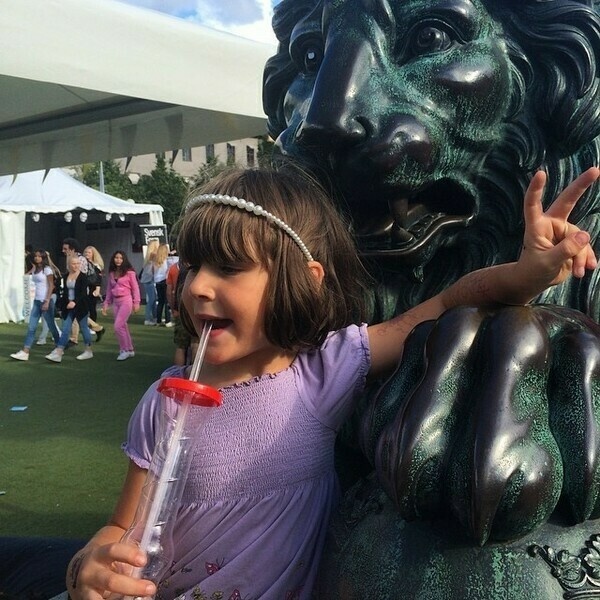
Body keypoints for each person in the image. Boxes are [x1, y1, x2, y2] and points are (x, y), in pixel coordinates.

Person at [66, 164, 600, 600]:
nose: (197, 286)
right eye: (194, 264)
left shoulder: (319, 375)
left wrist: (527, 273)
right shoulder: (163, 404)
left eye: (228, 267)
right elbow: (122, 529)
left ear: (303, 280)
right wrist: (88, 566)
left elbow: (445, 304)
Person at [10, 249, 60, 360]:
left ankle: (59, 349)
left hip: (45, 301)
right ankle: (25, 351)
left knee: (51, 326)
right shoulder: (35, 269)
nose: (37, 258)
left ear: (43, 257)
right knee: (31, 327)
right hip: (37, 301)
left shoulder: (47, 269)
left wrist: (47, 301)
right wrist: (32, 269)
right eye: (35, 256)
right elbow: (26, 277)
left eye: (39, 256)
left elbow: (51, 285)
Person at [45, 255, 94, 363]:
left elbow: (83, 293)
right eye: (73, 263)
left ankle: (88, 350)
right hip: (68, 307)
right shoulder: (65, 276)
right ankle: (59, 351)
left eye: (78, 263)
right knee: (66, 329)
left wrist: (74, 302)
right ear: (69, 265)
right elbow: (63, 292)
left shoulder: (83, 277)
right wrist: (63, 304)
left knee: (84, 328)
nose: (76, 266)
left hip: (81, 306)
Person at [101, 250, 141, 361]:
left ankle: (124, 350)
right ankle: (129, 349)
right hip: (116, 302)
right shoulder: (112, 273)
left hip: (126, 300)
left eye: (120, 258)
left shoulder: (130, 273)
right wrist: (106, 303)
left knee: (118, 326)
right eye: (116, 258)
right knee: (123, 326)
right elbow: (109, 289)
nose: (118, 260)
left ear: (124, 260)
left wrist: (136, 302)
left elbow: (135, 288)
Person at [166, 259, 197, 366]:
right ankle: (194, 372)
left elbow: (170, 292)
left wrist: (173, 308)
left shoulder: (177, 269)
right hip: (196, 311)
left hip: (181, 311)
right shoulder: (200, 268)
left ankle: (178, 373)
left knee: (181, 346)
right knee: (196, 343)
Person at [35, 251, 62, 346]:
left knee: (46, 317)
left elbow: (53, 284)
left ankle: (43, 338)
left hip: (50, 295)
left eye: (39, 256)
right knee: (48, 317)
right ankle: (58, 333)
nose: (37, 258)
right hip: (49, 294)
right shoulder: (51, 269)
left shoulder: (49, 269)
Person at [82, 245, 106, 343]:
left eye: (89, 252)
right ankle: (93, 327)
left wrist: (97, 289)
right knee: (84, 309)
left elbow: (98, 279)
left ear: (93, 254)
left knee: (92, 308)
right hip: (84, 288)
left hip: (92, 288)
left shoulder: (96, 265)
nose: (87, 254)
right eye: (86, 252)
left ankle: (94, 327)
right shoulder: (83, 263)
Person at [152, 242, 172, 327]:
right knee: (167, 301)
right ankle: (168, 321)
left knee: (160, 302)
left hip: (157, 282)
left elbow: (152, 271)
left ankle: (158, 320)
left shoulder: (155, 261)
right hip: (165, 281)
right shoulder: (166, 261)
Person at [139, 239, 158, 326]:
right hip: (149, 280)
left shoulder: (148, 256)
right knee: (151, 300)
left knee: (153, 299)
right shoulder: (153, 255)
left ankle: (155, 317)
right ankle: (147, 319)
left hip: (147, 279)